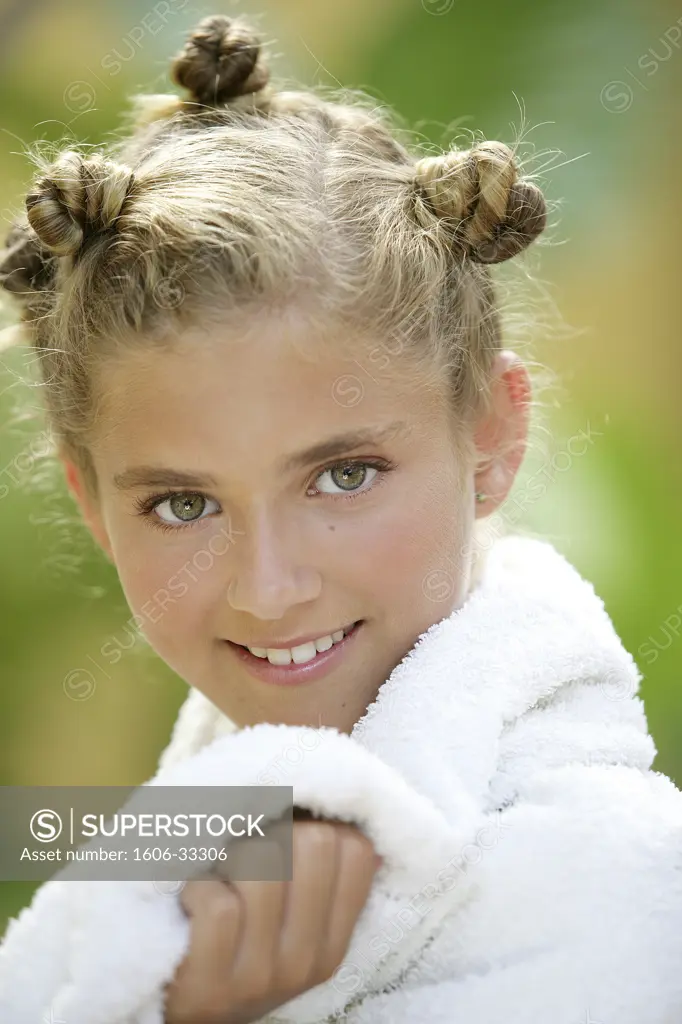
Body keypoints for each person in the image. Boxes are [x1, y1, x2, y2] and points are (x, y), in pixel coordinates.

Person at [1, 13, 681, 1024]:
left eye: (345, 476)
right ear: (92, 505)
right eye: (182, 503)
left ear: (491, 434)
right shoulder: (161, 833)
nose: (268, 587)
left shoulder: (617, 883)